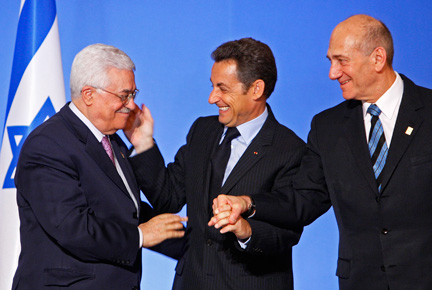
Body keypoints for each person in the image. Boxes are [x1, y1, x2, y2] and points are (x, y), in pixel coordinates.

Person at [210, 15, 432, 290]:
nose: (332, 73)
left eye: (342, 61)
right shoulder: (327, 127)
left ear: (377, 58)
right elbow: (303, 199)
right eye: (330, 61)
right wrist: (248, 203)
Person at [126, 38, 305, 289]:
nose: (212, 98)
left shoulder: (290, 150)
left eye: (223, 88)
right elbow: (169, 197)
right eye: (212, 86)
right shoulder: (203, 130)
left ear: (256, 89)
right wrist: (143, 142)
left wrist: (245, 229)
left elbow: (286, 233)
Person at [12, 43, 187, 290]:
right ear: (89, 95)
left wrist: (200, 249)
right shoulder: (48, 144)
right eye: (123, 95)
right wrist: (140, 236)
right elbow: (72, 227)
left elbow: (127, 212)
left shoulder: (113, 142)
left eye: (133, 94)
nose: (131, 105)